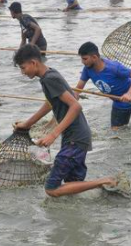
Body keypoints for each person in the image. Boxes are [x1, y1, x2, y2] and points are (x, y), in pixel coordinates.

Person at [13, 44, 116, 197]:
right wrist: (28, 124)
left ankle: (104, 181)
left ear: (34, 63)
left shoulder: (49, 79)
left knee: (51, 189)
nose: (23, 72)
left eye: (23, 68)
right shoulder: (50, 75)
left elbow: (75, 106)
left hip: (75, 139)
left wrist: (53, 135)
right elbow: (51, 102)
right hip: (77, 137)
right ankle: (104, 187)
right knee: (70, 187)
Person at [74, 42, 131, 129]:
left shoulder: (114, 67)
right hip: (119, 103)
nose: (82, 62)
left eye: (85, 59)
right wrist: (74, 96)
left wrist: (129, 94)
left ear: (94, 57)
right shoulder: (87, 70)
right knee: (115, 132)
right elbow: (79, 88)